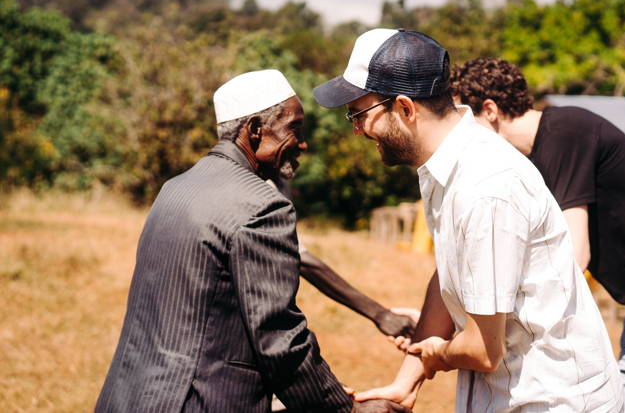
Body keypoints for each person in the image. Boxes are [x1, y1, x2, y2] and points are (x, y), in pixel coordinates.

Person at [313, 29, 623, 412]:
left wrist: (436, 354)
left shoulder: (485, 187)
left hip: (554, 400)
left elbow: (481, 349)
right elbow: (448, 273)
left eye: (359, 114)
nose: (357, 129)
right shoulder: (441, 164)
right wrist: (406, 382)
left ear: (406, 109)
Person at [95, 69, 410, 413]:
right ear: (256, 130)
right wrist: (343, 409)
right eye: (294, 129)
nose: (303, 144)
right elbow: (278, 338)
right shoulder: (262, 205)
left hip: (130, 396)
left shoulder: (176, 188)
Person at [450, 57, 625, 413]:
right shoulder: (537, 157)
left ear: (489, 110)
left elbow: (573, 256)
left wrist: (493, 316)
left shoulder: (566, 132)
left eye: (466, 120)